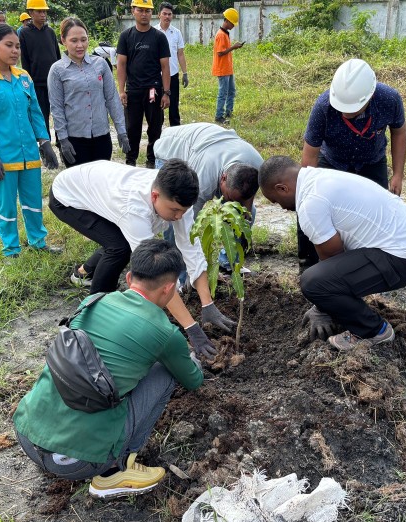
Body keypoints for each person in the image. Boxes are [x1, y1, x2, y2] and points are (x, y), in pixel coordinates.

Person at [13, 239, 204, 498]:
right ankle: (114, 471)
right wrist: (191, 359)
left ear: (128, 277)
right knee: (166, 372)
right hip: (77, 463)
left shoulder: (93, 301)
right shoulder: (165, 333)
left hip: (26, 434)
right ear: (169, 289)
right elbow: (193, 380)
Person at [49, 158, 235, 358]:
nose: (179, 216)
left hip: (98, 183)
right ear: (155, 196)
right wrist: (192, 328)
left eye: (184, 210)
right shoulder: (134, 208)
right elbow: (155, 273)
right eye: (175, 210)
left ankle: (83, 272)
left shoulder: (175, 198)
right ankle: (94, 316)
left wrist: (207, 304)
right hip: (67, 195)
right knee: (119, 248)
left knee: (120, 242)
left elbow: (191, 248)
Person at [259, 156, 406, 351]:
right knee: (323, 282)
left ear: (282, 188)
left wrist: (322, 306)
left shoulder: (310, 203)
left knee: (312, 282)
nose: (281, 207)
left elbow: (332, 260)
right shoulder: (319, 178)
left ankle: (373, 330)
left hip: (404, 259)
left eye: (275, 201)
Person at [298, 58, 406, 268]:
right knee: (312, 207)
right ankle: (308, 266)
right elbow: (310, 153)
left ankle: (370, 268)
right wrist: (307, 193)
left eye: (352, 108)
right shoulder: (324, 106)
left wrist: (397, 174)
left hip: (371, 161)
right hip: (332, 161)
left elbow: (399, 132)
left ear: (370, 96)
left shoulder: (389, 100)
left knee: (378, 212)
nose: (345, 113)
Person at [0, 24, 60, 258]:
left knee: (33, 202)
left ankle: (38, 242)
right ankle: (11, 249)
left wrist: (44, 142)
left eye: (17, 46)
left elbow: (35, 113)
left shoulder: (24, 77)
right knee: (6, 205)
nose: (15, 51)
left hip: (28, 152)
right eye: (9, 45)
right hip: (2, 155)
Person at [154, 122, 263, 276]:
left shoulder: (257, 165)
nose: (230, 203)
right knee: (175, 217)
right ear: (223, 178)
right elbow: (188, 223)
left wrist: (244, 213)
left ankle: (229, 263)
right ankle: (180, 274)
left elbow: (250, 195)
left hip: (209, 144)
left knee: (248, 213)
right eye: (229, 197)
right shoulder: (203, 177)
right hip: (172, 148)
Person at [48, 17, 130, 168]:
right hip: (74, 140)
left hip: (101, 137)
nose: (80, 45)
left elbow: (112, 98)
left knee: (99, 184)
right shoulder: (57, 70)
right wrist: (63, 140)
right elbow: (57, 108)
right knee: (79, 187)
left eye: (83, 40)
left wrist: (121, 131)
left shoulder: (100, 64)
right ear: (63, 40)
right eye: (74, 40)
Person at [117, 0, 171, 168]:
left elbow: (165, 65)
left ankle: (152, 160)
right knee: (132, 128)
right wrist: (121, 90)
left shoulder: (159, 37)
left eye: (147, 11)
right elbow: (121, 64)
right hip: (133, 90)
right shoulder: (126, 36)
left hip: (153, 89)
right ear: (133, 11)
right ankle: (130, 160)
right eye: (140, 10)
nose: (144, 14)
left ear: (152, 13)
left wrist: (166, 93)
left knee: (155, 128)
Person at [19, 0, 61, 141]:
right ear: (31, 13)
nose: (43, 14)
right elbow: (24, 60)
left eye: (44, 11)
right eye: (39, 11)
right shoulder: (24, 33)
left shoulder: (50, 32)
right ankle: (45, 146)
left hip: (54, 82)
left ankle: (61, 144)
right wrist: (28, 82)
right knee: (42, 116)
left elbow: (57, 56)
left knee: (59, 114)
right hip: (36, 83)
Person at [157, 2, 189, 127]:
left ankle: (175, 135)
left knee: (174, 107)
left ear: (172, 16)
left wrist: (185, 73)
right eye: (164, 14)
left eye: (169, 14)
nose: (167, 16)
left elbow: (180, 54)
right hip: (157, 76)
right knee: (157, 108)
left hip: (173, 76)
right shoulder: (153, 32)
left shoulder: (176, 33)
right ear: (159, 14)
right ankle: (157, 136)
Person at [212, 8, 244, 124]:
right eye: (232, 23)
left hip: (227, 69)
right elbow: (220, 53)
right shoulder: (221, 35)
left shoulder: (225, 34)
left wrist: (234, 47)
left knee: (231, 91)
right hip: (222, 69)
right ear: (227, 21)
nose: (233, 26)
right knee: (223, 93)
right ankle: (219, 116)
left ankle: (228, 112)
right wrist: (233, 47)